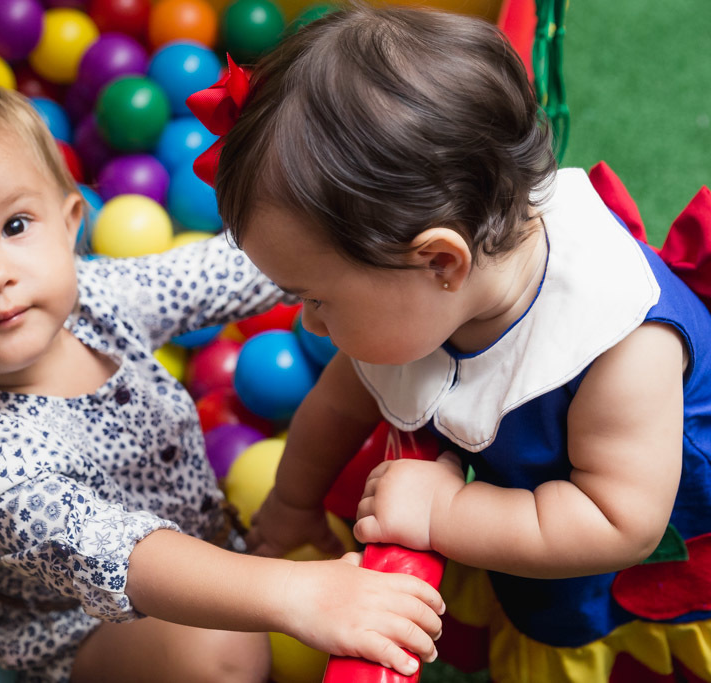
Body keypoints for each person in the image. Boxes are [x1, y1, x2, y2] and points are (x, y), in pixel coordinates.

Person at [0, 78, 445, 683]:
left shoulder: (89, 297)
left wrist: (348, 235)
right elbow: (124, 555)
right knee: (224, 651)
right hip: (79, 620)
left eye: (14, 226)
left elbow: (223, 271)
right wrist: (298, 594)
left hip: (198, 537)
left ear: (69, 223)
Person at [209, 5, 711, 682]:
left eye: (319, 299)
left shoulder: (620, 345)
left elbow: (619, 522)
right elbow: (338, 401)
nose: (309, 325)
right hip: (531, 505)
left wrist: (445, 510)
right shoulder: (428, 289)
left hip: (631, 550)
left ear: (441, 262)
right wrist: (293, 503)